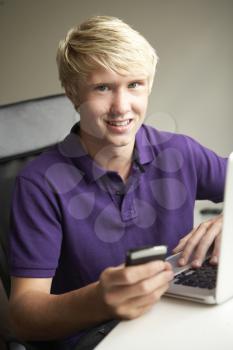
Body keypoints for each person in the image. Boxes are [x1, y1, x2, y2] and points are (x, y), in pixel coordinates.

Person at [9, 15, 226, 350]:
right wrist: (99, 300)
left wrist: (228, 221)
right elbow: (23, 315)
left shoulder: (179, 151)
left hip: (172, 321)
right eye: (102, 87)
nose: (121, 107)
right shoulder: (39, 183)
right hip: (95, 338)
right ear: (72, 93)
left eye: (134, 84)